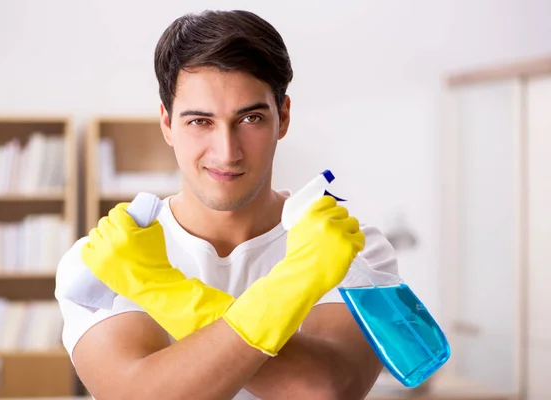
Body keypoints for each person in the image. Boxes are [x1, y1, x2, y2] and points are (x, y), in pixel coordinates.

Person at [55, 9, 399, 400]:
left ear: (282, 117)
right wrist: (294, 284)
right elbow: (142, 393)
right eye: (200, 122)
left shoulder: (356, 249)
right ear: (167, 123)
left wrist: (157, 289)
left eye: (250, 118)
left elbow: (321, 392)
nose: (227, 151)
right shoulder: (103, 259)